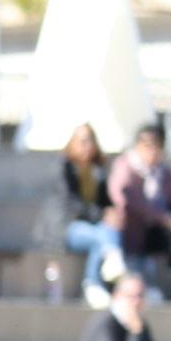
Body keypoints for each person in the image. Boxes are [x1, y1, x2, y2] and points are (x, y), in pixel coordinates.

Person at [112, 123, 171, 300]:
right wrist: (163, 218)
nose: (152, 151)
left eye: (157, 146)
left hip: (156, 230)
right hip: (131, 229)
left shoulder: (164, 173)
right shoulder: (125, 167)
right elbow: (127, 199)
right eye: (147, 145)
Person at [60, 123, 125, 308]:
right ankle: (111, 257)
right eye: (82, 141)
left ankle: (93, 283)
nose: (86, 146)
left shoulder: (97, 171)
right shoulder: (64, 169)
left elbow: (105, 201)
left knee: (105, 233)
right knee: (103, 236)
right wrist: (103, 214)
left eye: (90, 141)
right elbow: (71, 204)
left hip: (95, 227)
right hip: (69, 226)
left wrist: (112, 213)